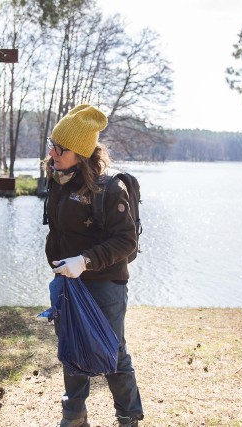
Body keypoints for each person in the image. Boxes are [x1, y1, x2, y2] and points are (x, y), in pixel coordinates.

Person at [43, 104, 144, 427]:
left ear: (82, 153)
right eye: (53, 145)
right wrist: (63, 265)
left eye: (61, 149)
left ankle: (128, 417)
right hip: (67, 281)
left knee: (112, 351)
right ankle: (73, 416)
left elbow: (126, 240)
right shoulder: (58, 177)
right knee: (72, 347)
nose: (54, 153)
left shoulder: (110, 187)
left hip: (104, 284)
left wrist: (84, 261)